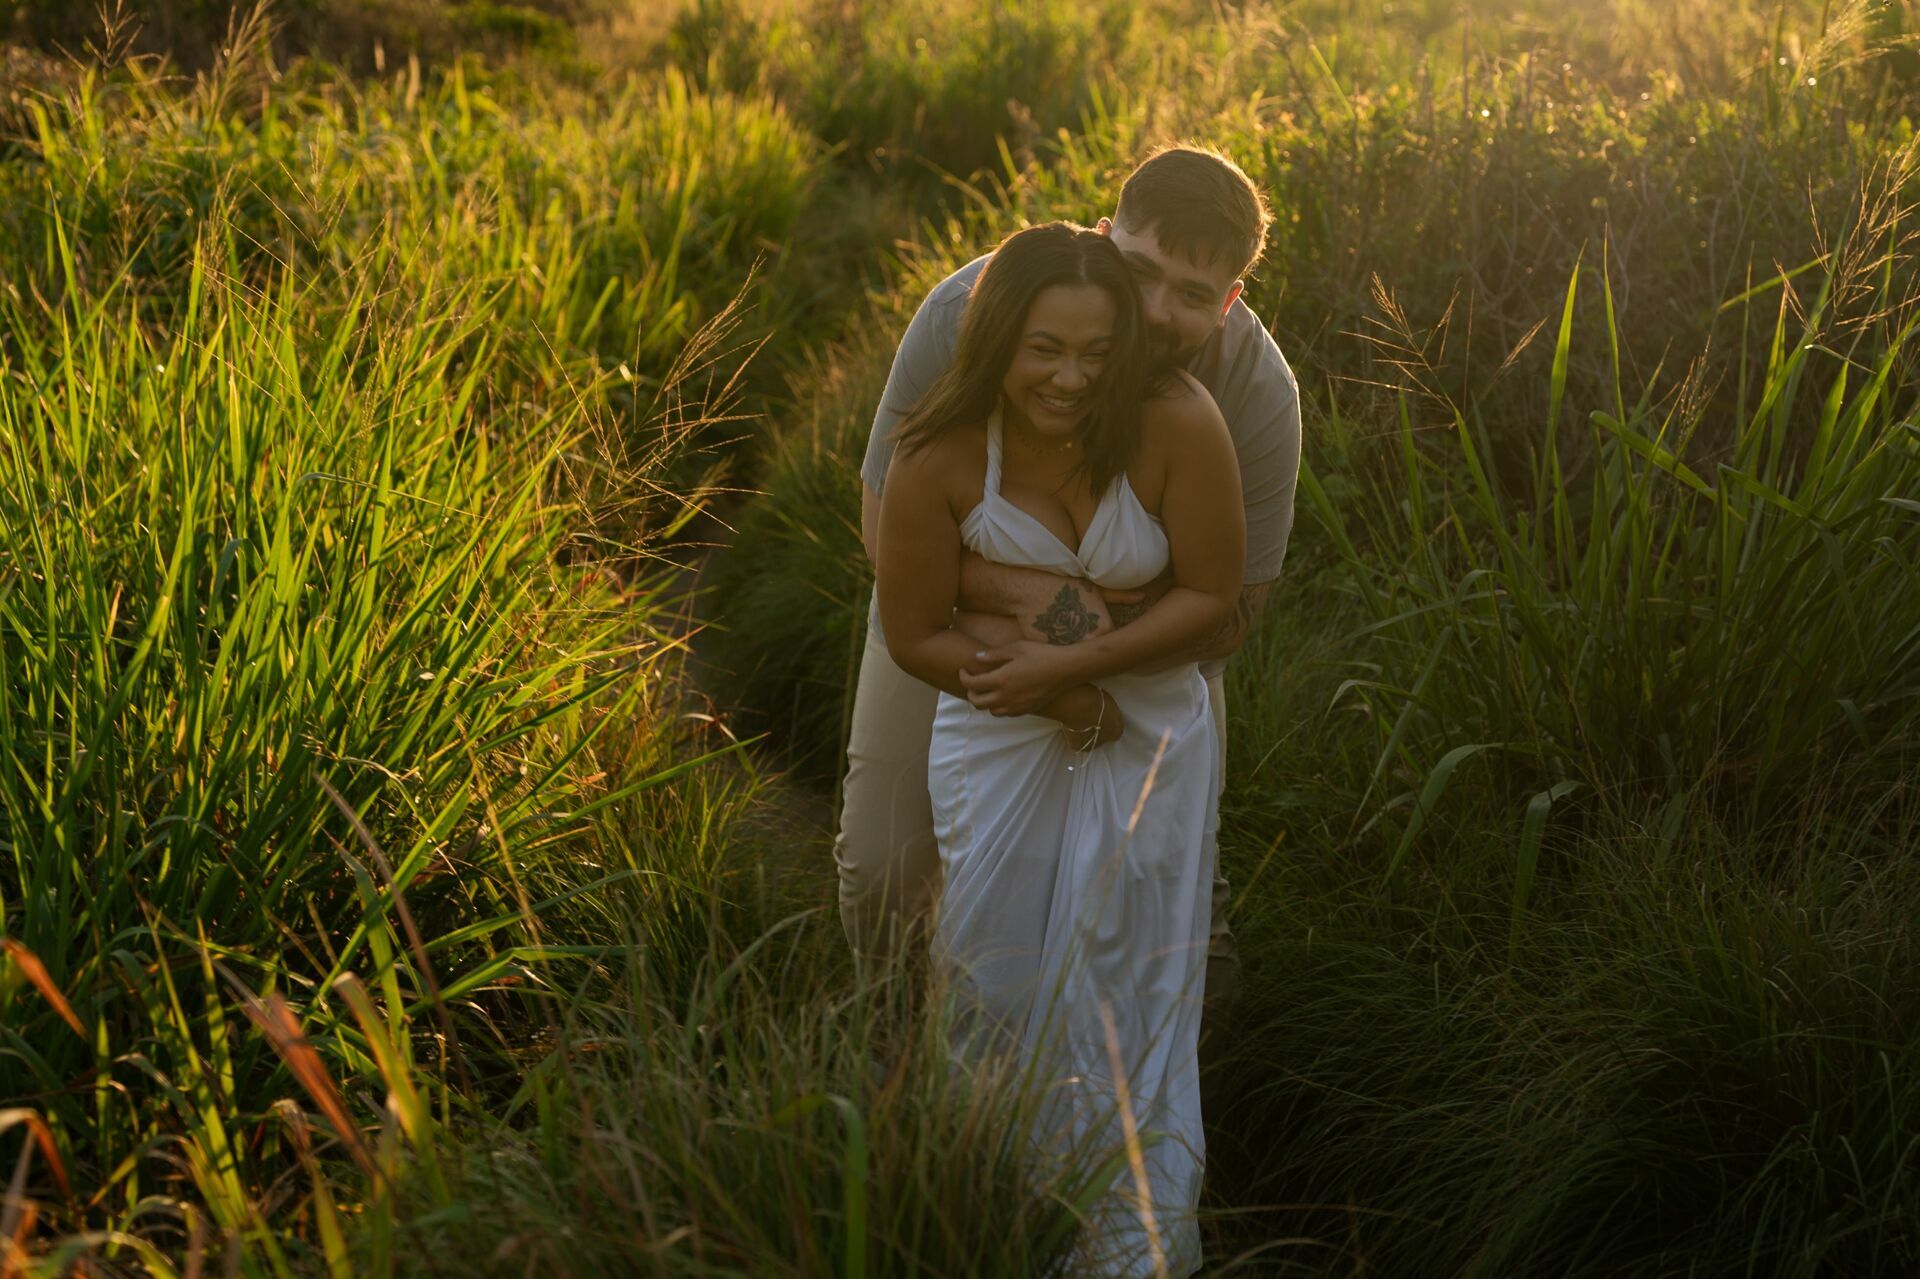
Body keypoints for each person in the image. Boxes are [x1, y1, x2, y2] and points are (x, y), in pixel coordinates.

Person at [837, 146, 1300, 1048]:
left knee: (1184, 936)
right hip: (950, 628)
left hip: (1159, 660)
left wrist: (1081, 655)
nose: (1160, 313)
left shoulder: (1253, 394)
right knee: (886, 879)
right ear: (1102, 236)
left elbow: (1233, 613)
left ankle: (1162, 1121)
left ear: (1232, 302)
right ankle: (910, 1088)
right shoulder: (963, 314)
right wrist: (1037, 660)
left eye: (1195, 296)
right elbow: (884, 535)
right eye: (1141, 272)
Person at [875, 220, 1244, 1277]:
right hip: (994, 737)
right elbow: (914, 631)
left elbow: (1213, 598)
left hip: (1156, 732)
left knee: (1132, 973)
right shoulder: (939, 449)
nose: (1072, 378)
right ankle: (994, 1212)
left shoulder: (1176, 419)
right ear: (999, 338)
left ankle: (1128, 1248)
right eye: (1045, 349)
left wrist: (1074, 668)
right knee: (995, 971)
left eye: (1095, 350)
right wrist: (1047, 698)